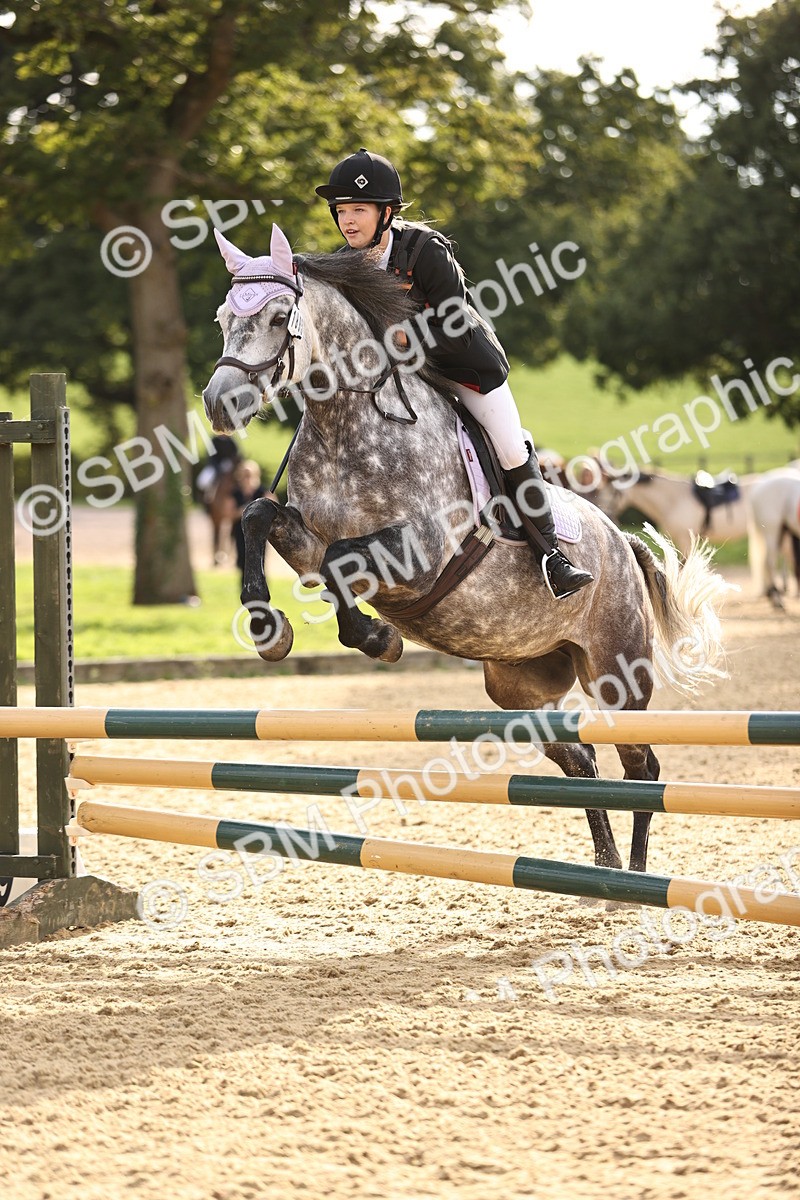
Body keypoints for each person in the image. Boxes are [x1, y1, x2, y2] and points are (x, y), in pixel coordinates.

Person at [314, 148, 593, 600]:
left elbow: (456, 322)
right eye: (341, 211)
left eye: (358, 209)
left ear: (387, 213)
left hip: (465, 369)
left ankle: (552, 556)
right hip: (402, 384)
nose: (347, 221)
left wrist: (406, 339)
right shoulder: (344, 264)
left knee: (508, 444)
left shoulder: (425, 250)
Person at [230, 459, 267, 587]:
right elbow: (230, 513)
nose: (247, 477)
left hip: (259, 533)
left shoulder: (262, 491)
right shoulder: (236, 492)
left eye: (249, 474)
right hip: (240, 532)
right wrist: (247, 509)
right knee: (242, 562)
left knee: (259, 563)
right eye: (244, 474)